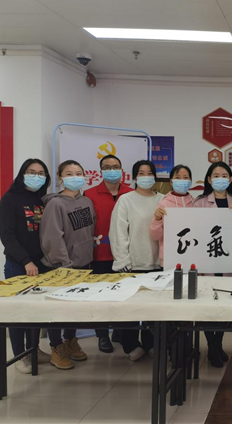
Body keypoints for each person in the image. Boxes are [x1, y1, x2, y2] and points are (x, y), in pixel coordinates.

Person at [40, 160, 96, 370]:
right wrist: (64, 265)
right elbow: (52, 238)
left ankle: (70, 341)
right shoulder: (55, 204)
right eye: (69, 173)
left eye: (79, 173)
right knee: (57, 310)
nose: (75, 177)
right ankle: (56, 347)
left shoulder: (87, 201)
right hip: (63, 268)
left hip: (84, 265)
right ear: (61, 178)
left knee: (75, 310)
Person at [0, 159, 53, 373]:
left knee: (35, 312)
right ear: (22, 174)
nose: (36, 176)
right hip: (19, 265)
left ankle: (33, 349)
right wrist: (26, 261)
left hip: (42, 264)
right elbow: (7, 236)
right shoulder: (9, 199)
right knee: (18, 312)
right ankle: (19, 355)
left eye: (41, 173)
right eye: (31, 172)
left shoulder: (42, 199)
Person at [110, 160, 164, 361]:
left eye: (150, 173)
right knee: (131, 309)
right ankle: (131, 345)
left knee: (153, 309)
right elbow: (118, 233)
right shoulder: (126, 200)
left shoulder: (162, 200)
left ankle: (151, 343)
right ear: (134, 177)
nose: (146, 177)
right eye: (141, 173)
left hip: (158, 264)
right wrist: (123, 260)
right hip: (132, 264)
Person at [194, 161, 232, 368]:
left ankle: (219, 343)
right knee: (208, 303)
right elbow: (195, 230)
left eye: (224, 175)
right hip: (208, 258)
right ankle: (212, 345)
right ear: (209, 179)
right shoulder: (199, 202)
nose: (220, 179)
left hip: (229, 259)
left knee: (224, 302)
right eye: (216, 175)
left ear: (230, 179)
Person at [84, 154, 132, 353]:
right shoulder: (89, 194)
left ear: (122, 170)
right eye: (107, 167)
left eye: (116, 166)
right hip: (100, 254)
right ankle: (102, 335)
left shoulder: (131, 193)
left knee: (125, 296)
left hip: (126, 255)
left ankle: (121, 332)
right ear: (101, 170)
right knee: (101, 297)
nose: (112, 170)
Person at [149, 164, 196, 268]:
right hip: (169, 258)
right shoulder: (164, 204)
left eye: (185, 178)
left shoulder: (195, 203)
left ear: (190, 182)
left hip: (192, 256)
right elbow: (154, 236)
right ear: (171, 182)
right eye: (178, 178)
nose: (182, 181)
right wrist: (157, 219)